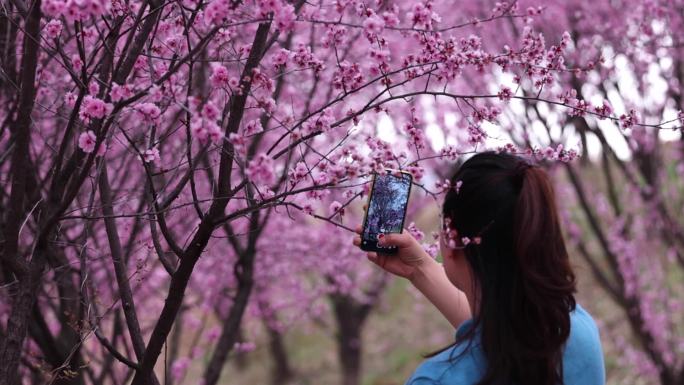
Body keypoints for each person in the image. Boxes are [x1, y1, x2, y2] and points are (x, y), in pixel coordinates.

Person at [352, 151, 605, 385]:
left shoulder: (439, 380)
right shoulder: (576, 330)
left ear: (451, 235)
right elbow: (502, 333)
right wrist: (418, 268)